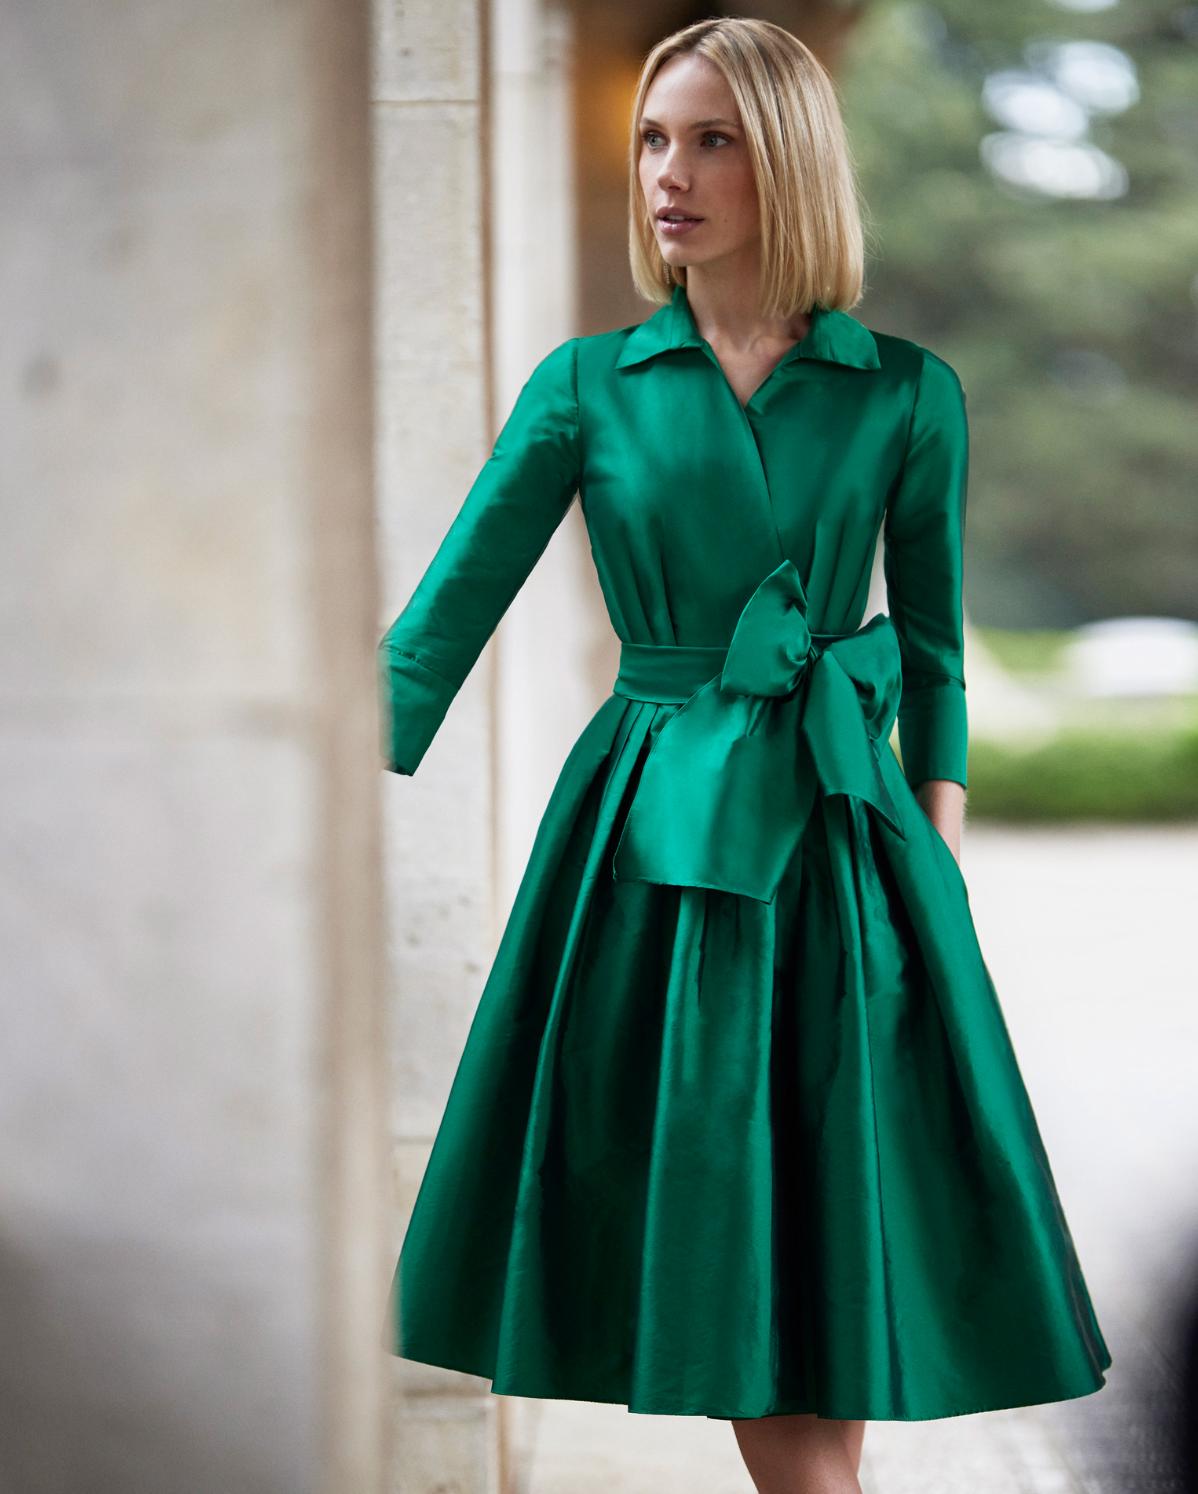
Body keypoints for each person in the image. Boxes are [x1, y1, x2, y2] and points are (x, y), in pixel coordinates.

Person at [377, 16, 1111, 1492]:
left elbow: (937, 643)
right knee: (721, 1208)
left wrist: (935, 852)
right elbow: (438, 621)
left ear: (787, 165)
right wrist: (299, 798)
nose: (670, 174)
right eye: (654, 138)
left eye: (710, 139)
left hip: (844, 835)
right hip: (655, 831)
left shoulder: (905, 390)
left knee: (825, 1225)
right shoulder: (590, 385)